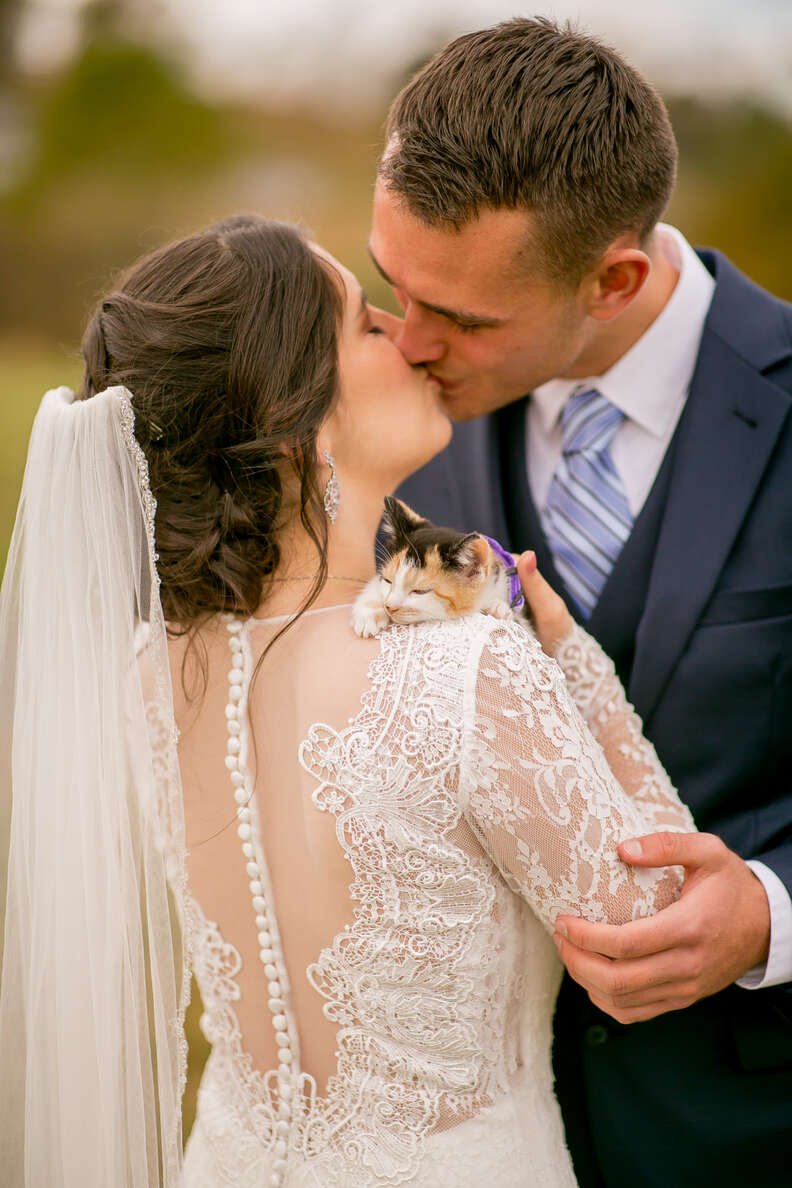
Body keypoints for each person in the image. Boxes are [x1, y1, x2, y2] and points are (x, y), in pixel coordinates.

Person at [0, 214, 695, 1187]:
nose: (406, 334)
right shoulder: (464, 667)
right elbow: (656, 920)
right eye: (366, 326)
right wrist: (575, 660)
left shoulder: (147, 675)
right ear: (301, 425)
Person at [374, 17, 792, 1187]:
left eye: (459, 318)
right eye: (393, 287)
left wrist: (770, 914)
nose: (407, 345)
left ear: (614, 279)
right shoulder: (394, 434)